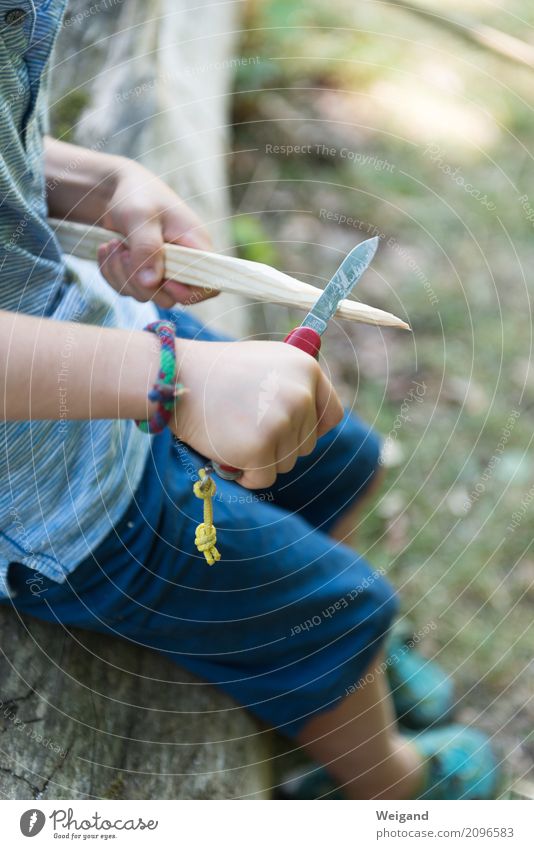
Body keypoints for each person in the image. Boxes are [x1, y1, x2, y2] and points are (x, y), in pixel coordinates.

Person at [0, 1, 498, 799]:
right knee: (344, 613)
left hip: (94, 334)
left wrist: (95, 182)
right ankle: (390, 786)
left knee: (342, 461)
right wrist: (171, 379)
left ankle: (323, 666)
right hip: (51, 484)